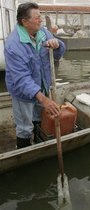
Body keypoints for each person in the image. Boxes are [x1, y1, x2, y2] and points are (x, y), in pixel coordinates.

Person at [4, 2, 65, 149]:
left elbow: (58, 54)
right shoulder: (14, 45)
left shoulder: (43, 32)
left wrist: (57, 44)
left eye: (41, 16)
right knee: (24, 128)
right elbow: (21, 79)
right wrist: (44, 99)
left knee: (39, 118)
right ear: (24, 21)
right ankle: (24, 153)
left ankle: (39, 142)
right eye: (37, 17)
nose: (41, 20)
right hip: (23, 93)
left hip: (42, 86)